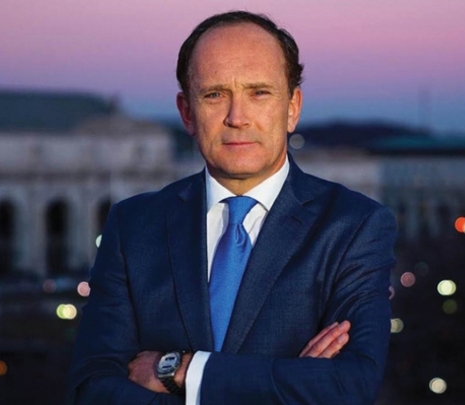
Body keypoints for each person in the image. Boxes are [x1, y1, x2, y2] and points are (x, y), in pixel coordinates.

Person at [67, 11, 396, 405]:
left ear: (292, 107)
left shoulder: (354, 226)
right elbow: (92, 389)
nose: (237, 118)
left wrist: (181, 369)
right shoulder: (133, 226)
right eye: (215, 94)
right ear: (187, 112)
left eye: (259, 93)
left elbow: (348, 385)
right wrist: (292, 383)